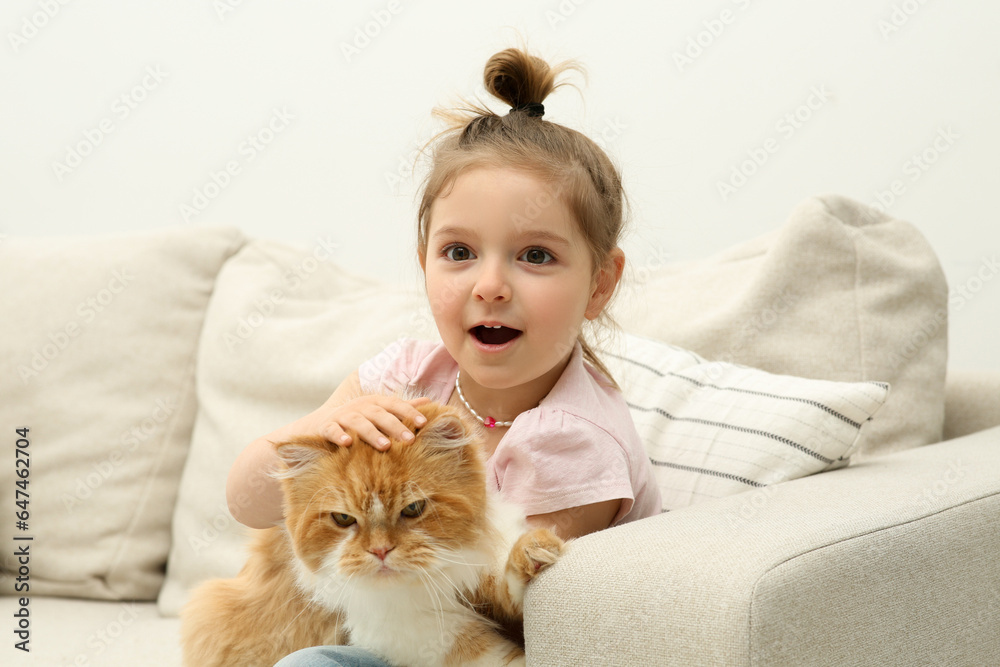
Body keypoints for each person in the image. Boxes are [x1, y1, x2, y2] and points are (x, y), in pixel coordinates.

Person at [227, 46, 661, 667]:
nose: (490, 285)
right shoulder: (405, 377)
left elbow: (510, 609)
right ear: (424, 262)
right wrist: (314, 433)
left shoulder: (574, 440)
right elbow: (247, 502)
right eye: (459, 252)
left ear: (600, 284)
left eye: (535, 255)